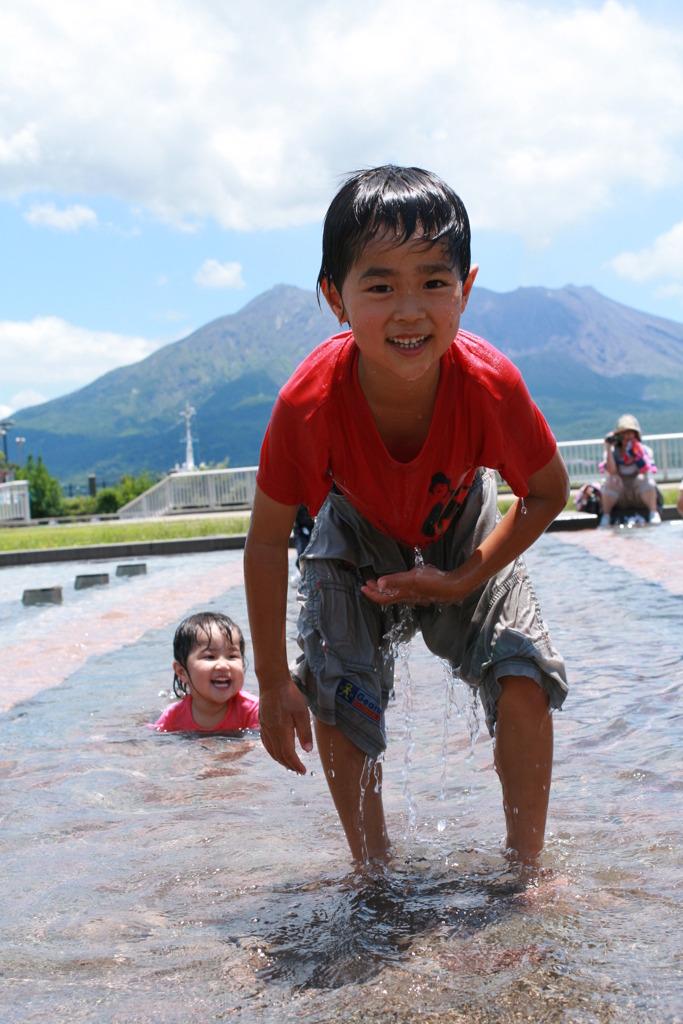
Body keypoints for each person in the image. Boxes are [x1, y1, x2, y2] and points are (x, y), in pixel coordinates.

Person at [244, 165, 569, 867]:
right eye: (380, 285)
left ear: (466, 289)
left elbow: (546, 492)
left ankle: (526, 868)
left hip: (463, 526)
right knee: (338, 685)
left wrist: (459, 582)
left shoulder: (488, 384)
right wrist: (273, 681)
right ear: (335, 297)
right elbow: (268, 543)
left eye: (432, 281)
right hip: (354, 532)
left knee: (522, 667)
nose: (409, 310)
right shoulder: (307, 403)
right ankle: (373, 867)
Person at [151, 611, 259, 732]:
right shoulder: (173, 716)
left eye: (232, 656)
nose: (223, 665)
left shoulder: (253, 711)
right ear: (182, 672)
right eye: (210, 657)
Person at [598, 414, 660, 526]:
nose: (627, 437)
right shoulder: (612, 453)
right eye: (623, 434)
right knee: (609, 483)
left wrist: (635, 452)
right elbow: (611, 471)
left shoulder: (644, 451)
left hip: (637, 492)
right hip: (620, 492)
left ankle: (653, 512)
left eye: (629, 433)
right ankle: (606, 516)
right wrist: (608, 446)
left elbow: (644, 470)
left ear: (636, 435)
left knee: (648, 483)